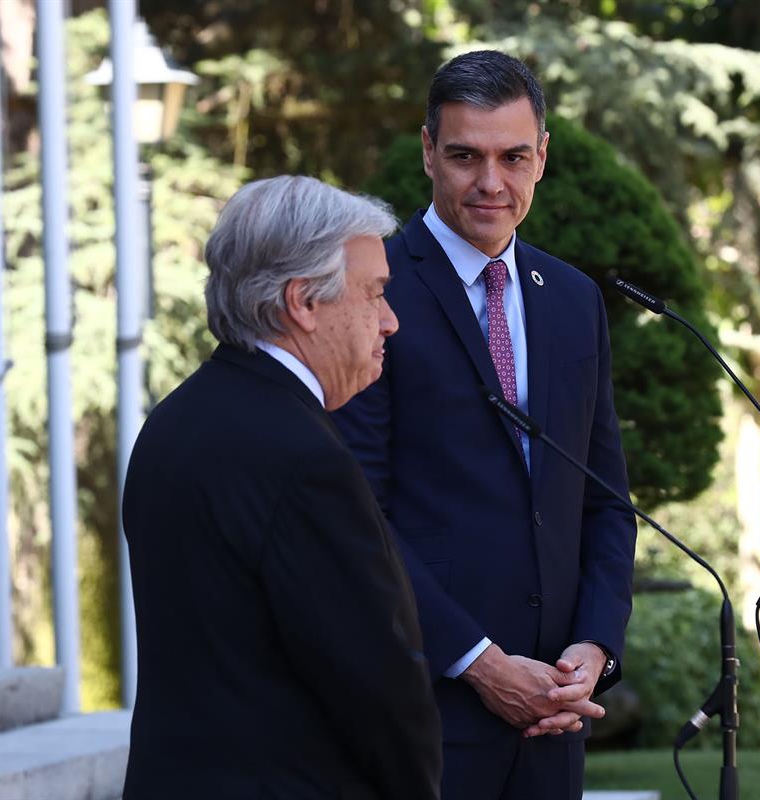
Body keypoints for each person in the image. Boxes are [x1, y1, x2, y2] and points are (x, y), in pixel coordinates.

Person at [332, 51, 638, 800]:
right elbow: (356, 516)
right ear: (429, 152)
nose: (491, 183)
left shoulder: (573, 299)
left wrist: (592, 648)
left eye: (514, 157)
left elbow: (603, 499)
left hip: (555, 722)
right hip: (428, 714)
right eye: (466, 156)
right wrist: (481, 663)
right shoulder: (373, 291)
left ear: (543, 157)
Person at [121, 175, 442, 800]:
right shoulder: (301, 456)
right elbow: (374, 680)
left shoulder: (173, 421)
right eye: (374, 294)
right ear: (303, 301)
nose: (391, 321)